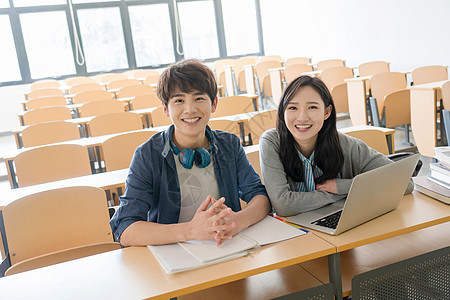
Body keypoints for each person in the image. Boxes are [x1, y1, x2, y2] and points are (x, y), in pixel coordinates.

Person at [110, 59, 270, 246]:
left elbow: (260, 196)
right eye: (179, 100)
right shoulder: (147, 155)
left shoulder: (229, 144)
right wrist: (191, 231)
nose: (190, 109)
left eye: (199, 98)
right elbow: (126, 229)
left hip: (227, 245)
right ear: (165, 109)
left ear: (214, 103)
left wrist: (238, 221)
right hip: (173, 253)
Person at [259, 75, 414, 216]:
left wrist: (343, 186)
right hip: (291, 236)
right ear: (282, 112)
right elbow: (284, 206)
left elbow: (405, 183)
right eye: (293, 108)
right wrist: (343, 192)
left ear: (327, 112)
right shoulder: (272, 142)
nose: (302, 117)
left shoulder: (347, 145)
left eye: (312, 107)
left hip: (340, 230)